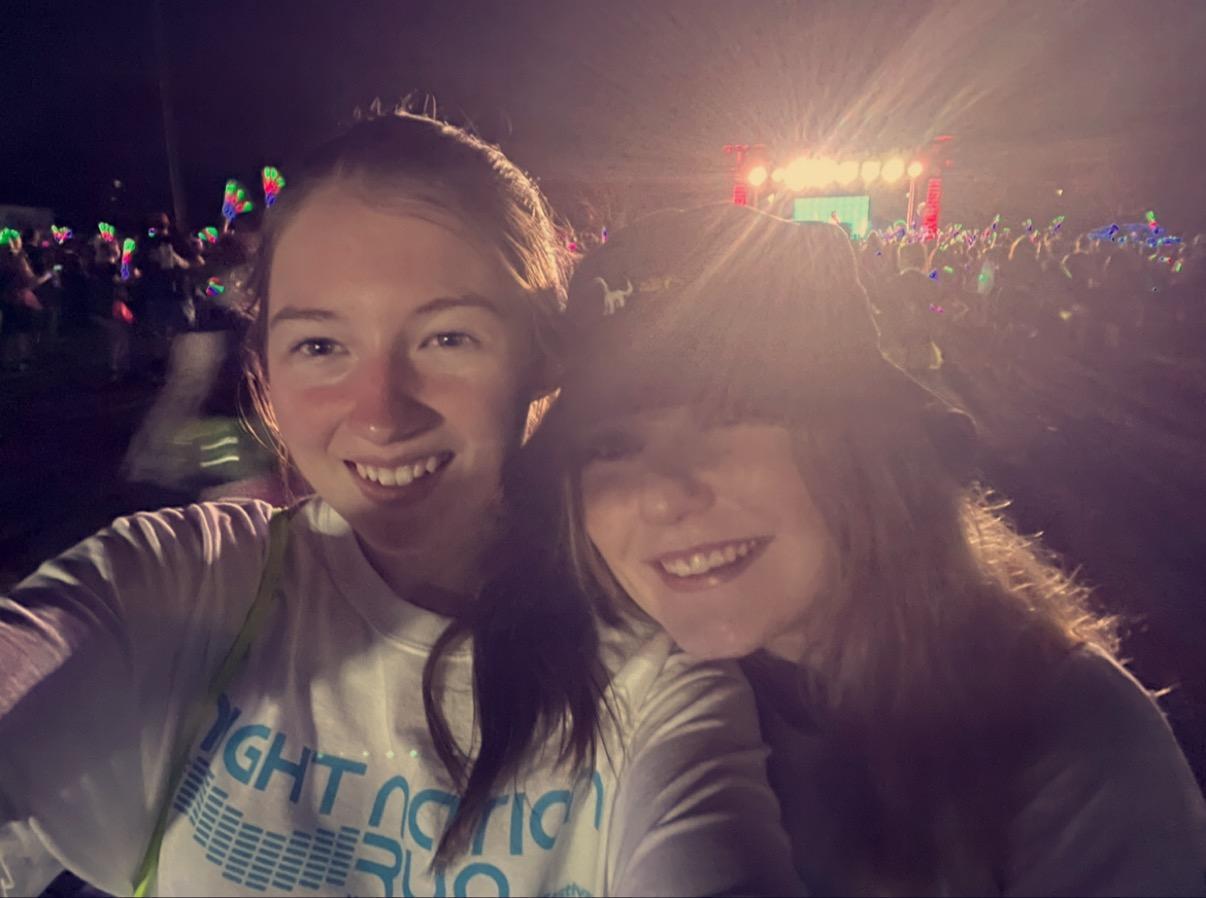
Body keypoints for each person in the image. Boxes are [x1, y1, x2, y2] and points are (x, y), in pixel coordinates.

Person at [0, 118, 798, 897]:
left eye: (447, 339)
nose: (381, 413)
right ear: (266, 369)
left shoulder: (650, 678)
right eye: (321, 346)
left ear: (544, 354)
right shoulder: (182, 579)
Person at [526, 203, 1206, 896]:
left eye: (729, 417)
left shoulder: (1068, 742)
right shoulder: (573, 692)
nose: (664, 496)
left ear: (865, 450)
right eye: (611, 446)